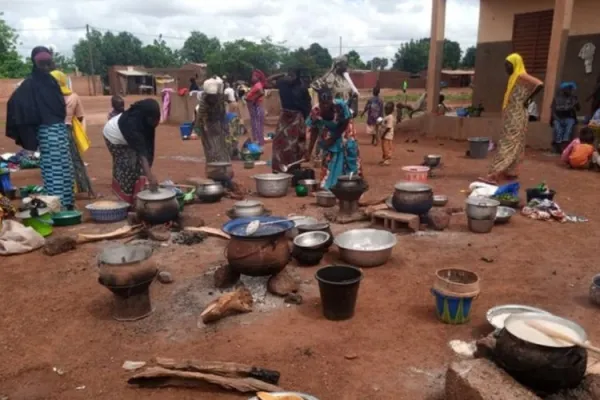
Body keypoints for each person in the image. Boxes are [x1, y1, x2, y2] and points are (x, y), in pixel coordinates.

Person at [6, 46, 75, 209]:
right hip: (54, 130)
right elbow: (16, 104)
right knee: (59, 168)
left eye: (47, 63)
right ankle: (62, 205)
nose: (45, 66)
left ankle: (61, 205)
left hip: (53, 131)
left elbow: (15, 103)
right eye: (43, 63)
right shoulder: (41, 82)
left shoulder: (38, 82)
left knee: (58, 168)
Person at [480, 53, 543, 184]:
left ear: (515, 64)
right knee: (516, 143)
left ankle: (493, 174)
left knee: (507, 143)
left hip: (517, 115)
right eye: (505, 66)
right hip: (513, 114)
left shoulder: (521, 75)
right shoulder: (514, 78)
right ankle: (511, 172)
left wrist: (528, 99)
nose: (506, 68)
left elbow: (539, 84)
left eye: (508, 65)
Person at [103, 99, 160, 206]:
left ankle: (137, 195)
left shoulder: (146, 121)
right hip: (114, 137)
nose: (157, 122)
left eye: (158, 118)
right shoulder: (132, 124)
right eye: (155, 119)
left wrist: (148, 171)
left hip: (129, 137)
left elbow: (148, 147)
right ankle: (126, 201)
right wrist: (150, 176)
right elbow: (141, 152)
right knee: (128, 165)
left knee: (139, 166)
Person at [306, 87, 362, 190]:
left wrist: (332, 139)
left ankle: (352, 182)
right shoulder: (315, 111)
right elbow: (314, 131)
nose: (325, 106)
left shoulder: (340, 106)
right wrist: (309, 152)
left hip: (345, 131)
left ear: (332, 100)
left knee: (349, 153)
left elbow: (345, 122)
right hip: (328, 132)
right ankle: (331, 184)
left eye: (327, 103)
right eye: (322, 103)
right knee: (329, 157)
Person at [50, 70, 95, 198]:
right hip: (68, 131)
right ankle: (88, 191)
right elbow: (81, 117)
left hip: (52, 132)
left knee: (56, 163)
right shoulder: (74, 97)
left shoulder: (48, 97)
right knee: (76, 160)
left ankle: (61, 192)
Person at [268, 68, 312, 173]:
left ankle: (293, 169)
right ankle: (280, 168)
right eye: (288, 75)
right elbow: (268, 81)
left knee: (295, 146)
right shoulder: (283, 83)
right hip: (286, 116)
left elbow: (308, 105)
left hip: (296, 117)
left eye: (292, 76)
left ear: (296, 77)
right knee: (280, 143)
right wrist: (282, 74)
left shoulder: (299, 87)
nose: (290, 78)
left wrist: (304, 118)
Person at [193, 78, 231, 163]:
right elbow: (200, 114)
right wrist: (198, 126)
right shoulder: (205, 100)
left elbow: (222, 112)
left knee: (218, 141)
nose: (212, 98)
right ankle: (212, 160)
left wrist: (224, 126)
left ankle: (219, 159)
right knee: (209, 143)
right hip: (208, 121)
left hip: (215, 121)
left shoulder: (219, 98)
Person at [551, 82, 580, 153]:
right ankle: (559, 147)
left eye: (570, 89)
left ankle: (564, 147)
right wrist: (554, 118)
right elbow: (553, 109)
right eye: (568, 89)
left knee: (568, 129)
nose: (570, 91)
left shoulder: (573, 98)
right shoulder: (557, 98)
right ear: (563, 90)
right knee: (558, 130)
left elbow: (578, 109)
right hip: (558, 117)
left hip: (569, 118)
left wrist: (577, 104)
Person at [245, 69, 267, 145]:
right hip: (254, 106)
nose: (252, 77)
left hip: (256, 106)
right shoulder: (256, 85)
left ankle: (258, 141)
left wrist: (254, 99)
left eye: (253, 76)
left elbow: (261, 92)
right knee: (255, 123)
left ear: (257, 77)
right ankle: (257, 140)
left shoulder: (258, 85)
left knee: (257, 123)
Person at [379, 102, 395, 166]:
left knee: (386, 147)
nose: (386, 111)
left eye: (387, 109)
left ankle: (387, 160)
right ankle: (384, 159)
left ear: (391, 110)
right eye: (385, 109)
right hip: (385, 135)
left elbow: (388, 127)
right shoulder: (387, 117)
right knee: (384, 147)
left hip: (387, 135)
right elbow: (385, 124)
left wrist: (383, 134)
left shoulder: (390, 117)